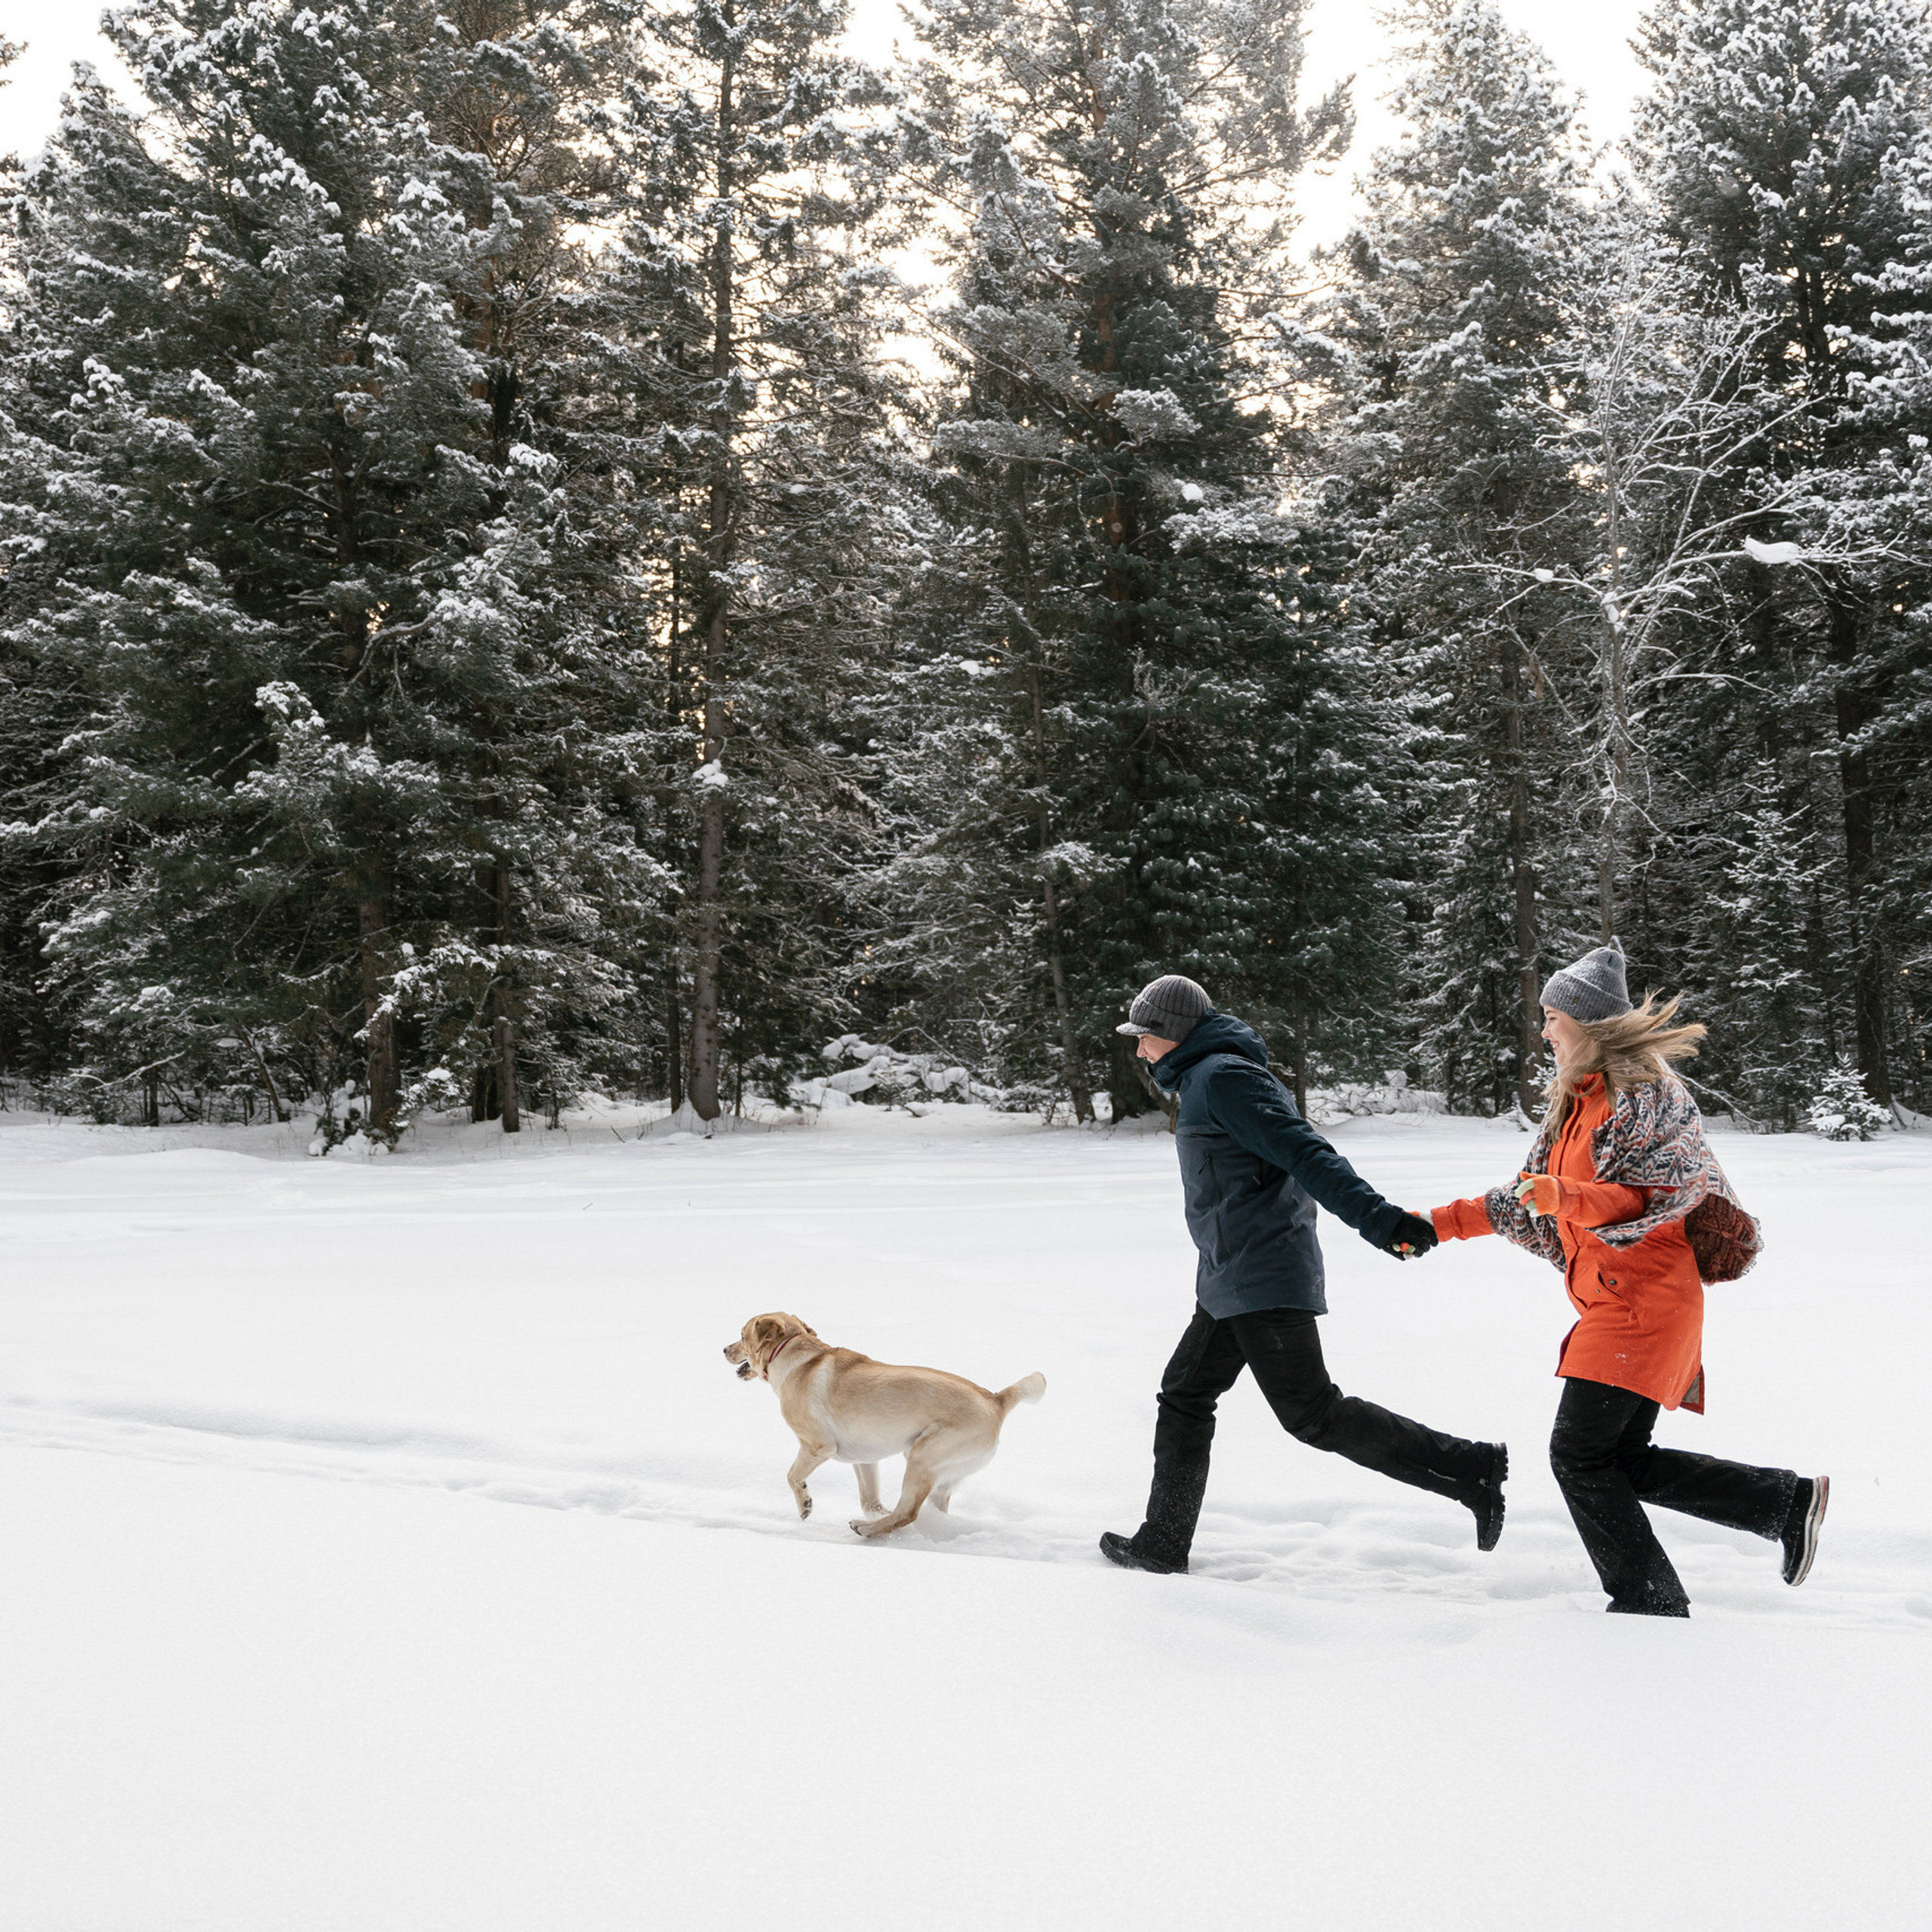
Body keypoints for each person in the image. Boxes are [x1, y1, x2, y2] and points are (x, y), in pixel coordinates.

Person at [1423, 939, 1829, 1616]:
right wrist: (1429, 1224)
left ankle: (1648, 1601)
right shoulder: (1574, 1104)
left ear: (1588, 1025)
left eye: (1554, 1017)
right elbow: (1524, 1197)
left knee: (1577, 1457)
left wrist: (1565, 1198)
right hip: (1617, 1302)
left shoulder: (1645, 1100)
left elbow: (1646, 1197)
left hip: (1643, 1303)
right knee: (1619, 1459)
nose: (1545, 1029)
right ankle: (1785, 1504)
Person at [1100, 974, 1509, 1577]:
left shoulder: (1225, 1079)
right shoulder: (1206, 1080)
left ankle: (1469, 1466)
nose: (1139, 1049)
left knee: (1313, 1415)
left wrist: (1380, 1219)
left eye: (1145, 1036)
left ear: (1174, 1033)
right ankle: (1162, 1542)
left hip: (1261, 1275)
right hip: (1229, 1278)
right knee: (1185, 1396)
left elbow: (1305, 1152)